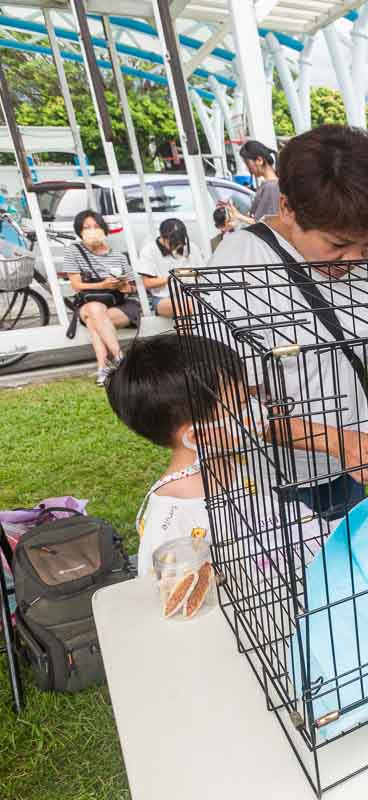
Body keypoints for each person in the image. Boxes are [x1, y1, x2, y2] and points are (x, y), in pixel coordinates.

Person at [208, 125, 368, 521]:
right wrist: (334, 441)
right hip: (275, 480)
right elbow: (230, 405)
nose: (356, 259)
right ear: (288, 208)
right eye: (338, 246)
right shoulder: (241, 266)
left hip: (353, 462)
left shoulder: (364, 257)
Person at [106, 334, 325, 576]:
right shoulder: (171, 519)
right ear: (199, 436)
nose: (257, 409)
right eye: (242, 404)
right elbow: (166, 592)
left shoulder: (234, 462)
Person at [62, 209, 141, 385]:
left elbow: (131, 288)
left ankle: (103, 368)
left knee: (95, 321)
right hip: (87, 304)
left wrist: (121, 285)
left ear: (104, 229)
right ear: (79, 231)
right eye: (86, 227)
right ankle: (121, 358)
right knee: (95, 309)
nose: (91, 230)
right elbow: (76, 285)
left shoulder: (118, 256)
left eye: (96, 226)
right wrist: (102, 285)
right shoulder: (74, 252)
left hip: (118, 305)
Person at [138, 218, 200, 318]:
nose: (178, 246)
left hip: (190, 293)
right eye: (174, 243)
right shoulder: (149, 251)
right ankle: (188, 333)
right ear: (162, 237)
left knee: (196, 303)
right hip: (162, 297)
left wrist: (190, 274)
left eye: (180, 243)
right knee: (184, 305)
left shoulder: (191, 247)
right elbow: (147, 283)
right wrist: (173, 277)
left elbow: (200, 272)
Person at [222, 140, 280, 224]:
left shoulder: (270, 187)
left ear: (259, 160)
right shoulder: (270, 184)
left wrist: (237, 215)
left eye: (247, 163)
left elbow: (264, 223)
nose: (247, 168)